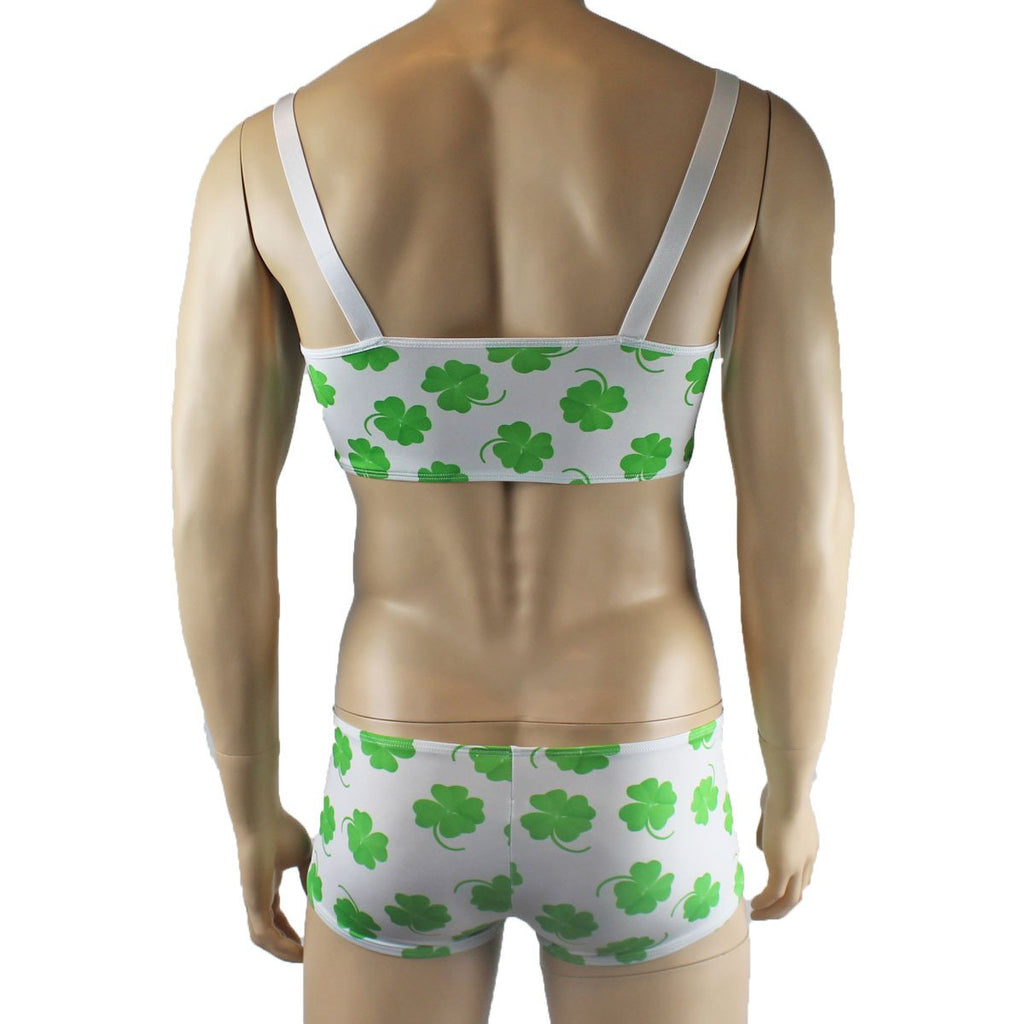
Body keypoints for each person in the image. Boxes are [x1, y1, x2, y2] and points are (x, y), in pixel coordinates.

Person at [172, 2, 853, 1021]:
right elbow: (802, 516)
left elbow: (212, 514)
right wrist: (793, 784)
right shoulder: (755, 142)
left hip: (397, 762)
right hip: (642, 767)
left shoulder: (260, 161)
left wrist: (246, 792)